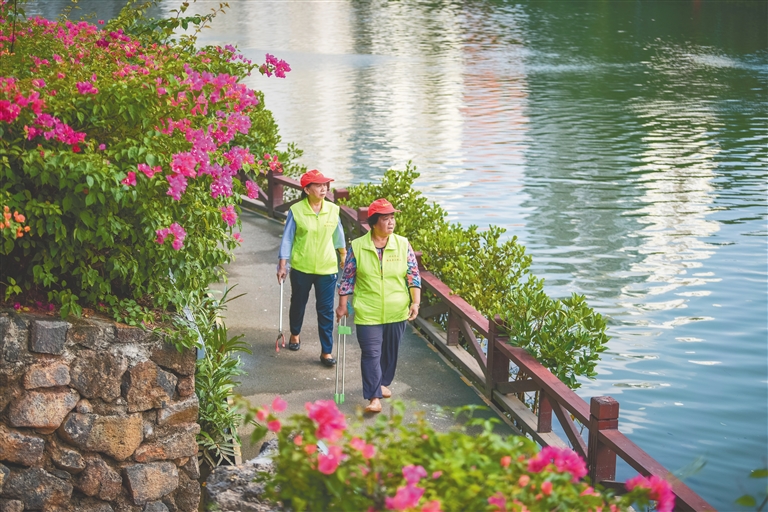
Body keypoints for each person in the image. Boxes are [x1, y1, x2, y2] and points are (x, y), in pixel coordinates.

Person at [335, 198, 421, 413]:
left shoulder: (403, 244)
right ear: (373, 223)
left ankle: (382, 382)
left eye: (392, 218)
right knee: (371, 353)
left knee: (390, 353)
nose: (391, 222)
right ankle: (374, 397)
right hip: (368, 310)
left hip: (396, 309)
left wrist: (416, 302)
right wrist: (343, 305)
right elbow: (348, 278)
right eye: (385, 219)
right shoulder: (358, 246)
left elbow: (413, 275)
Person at [277, 169, 346, 367]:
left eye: (325, 185)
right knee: (298, 303)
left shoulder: (333, 210)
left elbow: (339, 235)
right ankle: (295, 333)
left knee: (325, 311)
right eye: (318, 185)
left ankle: (326, 351)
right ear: (307, 190)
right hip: (302, 267)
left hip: (327, 268)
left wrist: (343, 256)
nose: (323, 189)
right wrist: (282, 265)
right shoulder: (297, 210)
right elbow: (288, 238)